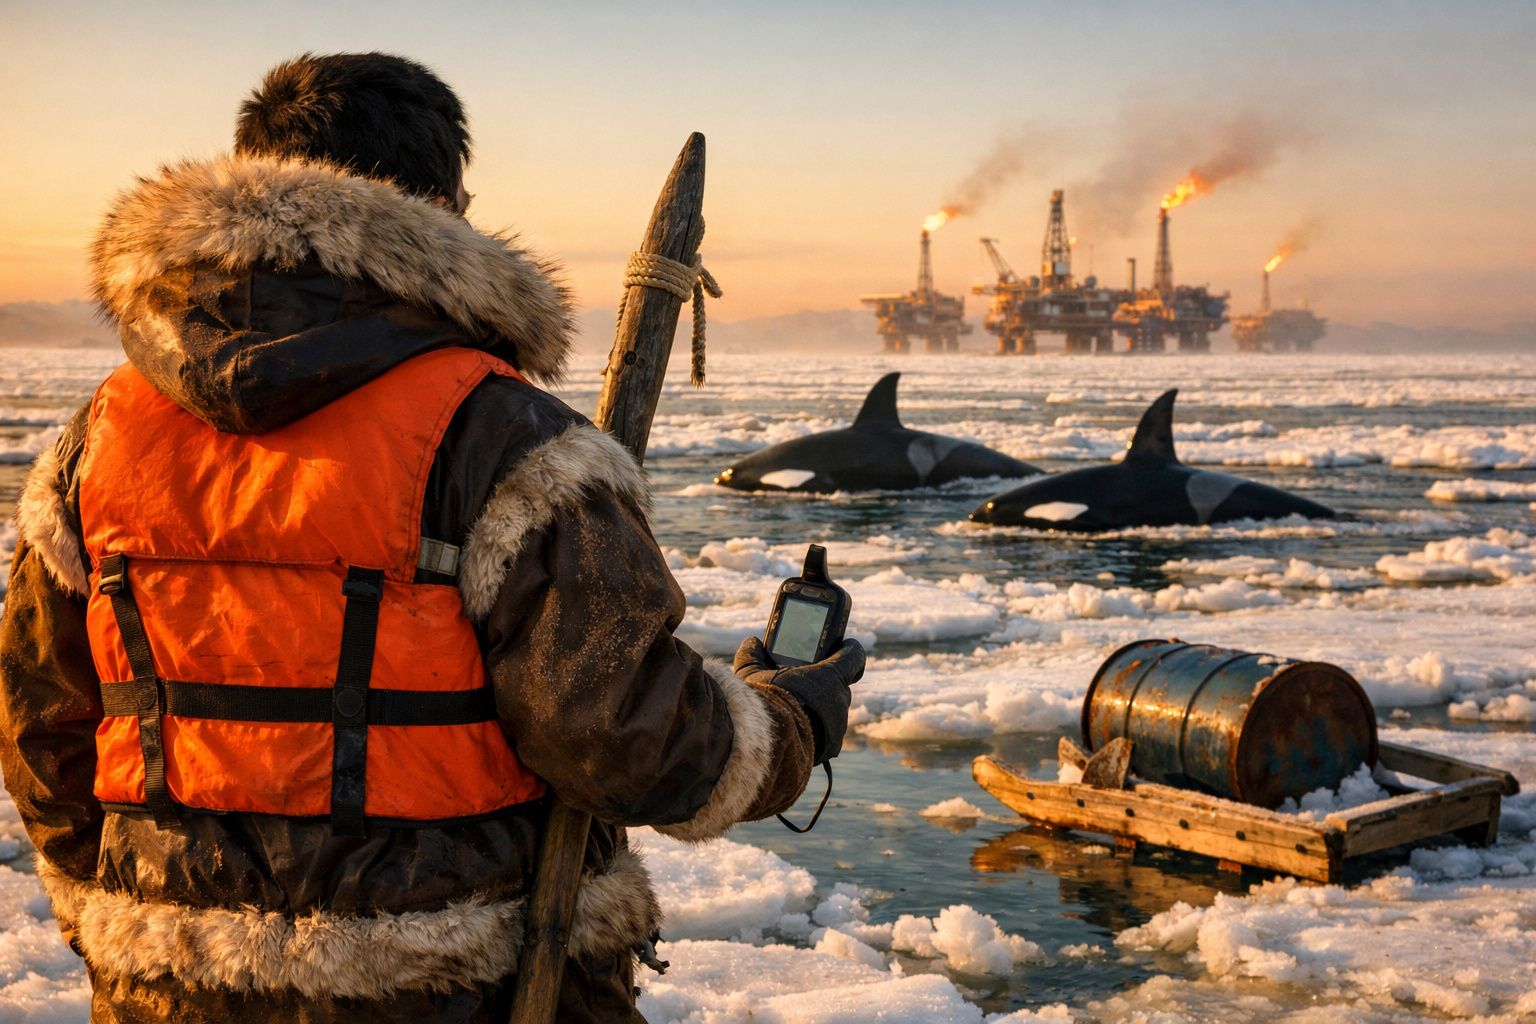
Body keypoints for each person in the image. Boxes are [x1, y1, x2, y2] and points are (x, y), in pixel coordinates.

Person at [0, 52, 864, 1023]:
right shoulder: (502, 437)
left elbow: (43, 728)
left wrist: (131, 921)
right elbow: (627, 739)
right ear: (447, 205)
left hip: (169, 991)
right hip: (462, 993)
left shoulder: (97, 444)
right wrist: (789, 722)